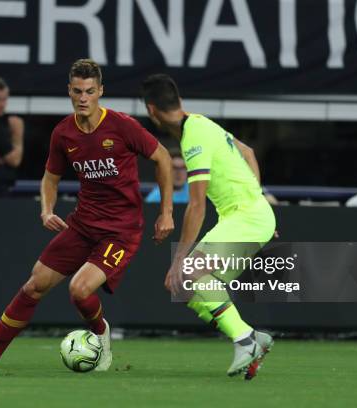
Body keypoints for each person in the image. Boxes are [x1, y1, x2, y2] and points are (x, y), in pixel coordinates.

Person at [0, 59, 174, 370]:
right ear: (69, 90)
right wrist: (46, 210)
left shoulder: (122, 125)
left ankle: (100, 333)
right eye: (78, 91)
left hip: (121, 230)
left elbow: (163, 158)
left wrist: (166, 212)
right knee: (34, 285)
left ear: (100, 92)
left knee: (79, 290)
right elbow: (50, 178)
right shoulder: (64, 133)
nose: (83, 98)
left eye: (90, 91)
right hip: (82, 225)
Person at [141, 74, 275, 380]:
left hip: (247, 216)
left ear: (151, 110)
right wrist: (259, 199)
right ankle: (253, 337)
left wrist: (178, 260)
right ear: (179, 102)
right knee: (184, 286)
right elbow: (248, 153)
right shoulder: (202, 122)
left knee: (186, 273)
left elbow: (197, 205)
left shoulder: (193, 138)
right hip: (249, 215)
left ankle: (245, 341)